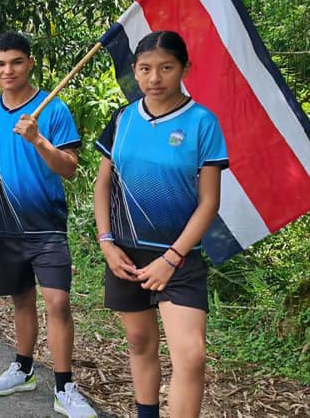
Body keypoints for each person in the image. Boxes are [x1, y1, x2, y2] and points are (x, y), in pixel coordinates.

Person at [94, 31, 227, 418]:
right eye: (146, 69)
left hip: (179, 258)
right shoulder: (122, 118)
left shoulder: (203, 122)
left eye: (166, 68)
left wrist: (172, 257)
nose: (155, 78)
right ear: (134, 72)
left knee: (191, 356)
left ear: (185, 68)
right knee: (138, 342)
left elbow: (209, 202)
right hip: (125, 253)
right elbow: (104, 182)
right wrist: (105, 241)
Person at [0, 32, 97, 417]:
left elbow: (70, 169)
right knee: (21, 301)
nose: (7, 71)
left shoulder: (52, 107)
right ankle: (22, 369)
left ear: (30, 63)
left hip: (47, 227)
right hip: (5, 227)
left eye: (16, 62)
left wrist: (38, 140)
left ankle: (64, 387)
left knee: (57, 302)